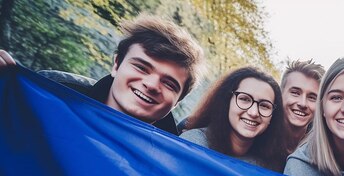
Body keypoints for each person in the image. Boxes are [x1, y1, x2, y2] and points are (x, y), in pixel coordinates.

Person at [0, 14, 205, 135]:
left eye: (169, 83)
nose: (151, 84)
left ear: (178, 101)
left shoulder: (175, 163)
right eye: (141, 67)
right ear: (116, 64)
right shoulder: (50, 91)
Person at [181, 67, 288, 172]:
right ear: (227, 102)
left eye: (264, 106)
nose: (253, 112)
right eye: (244, 99)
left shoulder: (271, 168)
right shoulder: (193, 144)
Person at [280, 59, 325, 153]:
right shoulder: (257, 135)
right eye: (295, 93)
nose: (303, 103)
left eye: (312, 97)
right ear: (280, 94)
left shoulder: (323, 148)